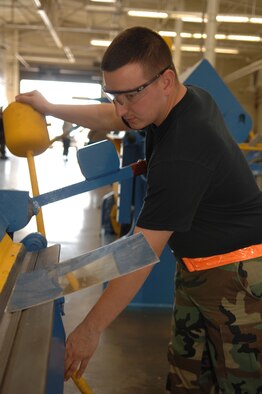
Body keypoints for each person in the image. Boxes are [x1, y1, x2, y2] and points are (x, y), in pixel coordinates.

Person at [15, 26, 262, 393]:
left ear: (165, 80)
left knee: (239, 385)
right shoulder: (183, 99)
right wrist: (49, 107)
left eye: (130, 96)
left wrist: (89, 329)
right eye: (113, 95)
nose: (121, 108)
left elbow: (141, 252)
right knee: (186, 380)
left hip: (237, 280)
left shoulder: (184, 149)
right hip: (196, 268)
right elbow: (111, 117)